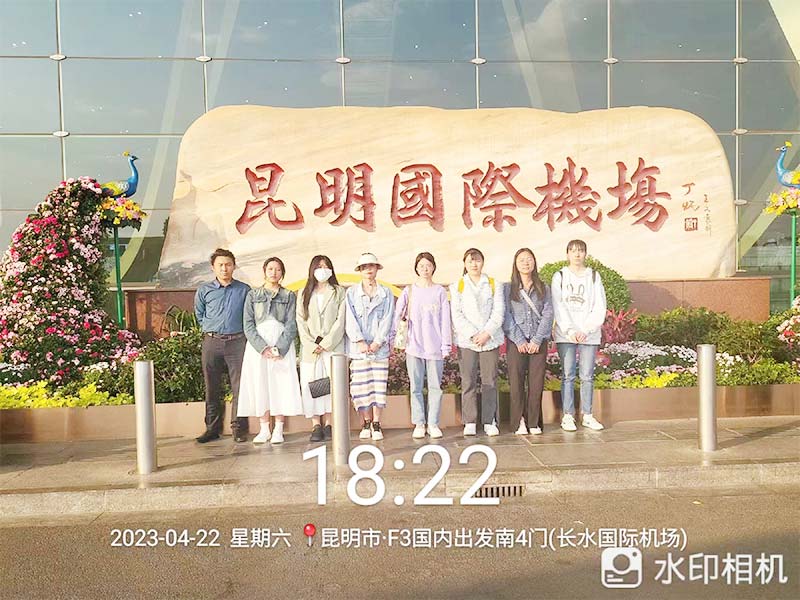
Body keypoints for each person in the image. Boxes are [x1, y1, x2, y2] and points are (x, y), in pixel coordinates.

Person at [237, 257, 303, 444]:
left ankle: (279, 429)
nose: (274, 273)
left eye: (278, 269)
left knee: (280, 384)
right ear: (264, 271)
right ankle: (264, 428)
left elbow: (291, 324)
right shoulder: (253, 295)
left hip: (280, 345)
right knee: (260, 383)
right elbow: (248, 324)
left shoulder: (288, 296)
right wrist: (262, 347)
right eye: (270, 269)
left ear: (282, 273)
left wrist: (280, 348)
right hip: (258, 347)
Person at [194, 248, 251, 443]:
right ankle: (212, 429)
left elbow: (249, 315)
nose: (224, 268)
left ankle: (239, 429)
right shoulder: (205, 290)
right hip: (212, 342)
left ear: (234, 266)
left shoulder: (244, 290)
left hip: (237, 342)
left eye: (228, 264)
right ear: (213, 267)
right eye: (220, 265)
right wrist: (211, 328)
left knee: (239, 387)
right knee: (212, 386)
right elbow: (199, 314)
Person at [394, 252, 452, 439]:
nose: (425, 269)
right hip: (414, 345)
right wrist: (396, 335)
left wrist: (446, 345)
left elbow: (445, 320)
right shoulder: (409, 291)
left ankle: (433, 423)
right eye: (421, 266)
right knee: (415, 387)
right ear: (416, 268)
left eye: (428, 265)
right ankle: (419, 423)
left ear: (433, 267)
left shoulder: (440, 291)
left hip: (435, 347)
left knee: (435, 387)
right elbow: (397, 315)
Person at [551, 239, 607, 432]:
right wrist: (570, 330)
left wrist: (586, 329)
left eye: (581, 250)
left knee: (587, 376)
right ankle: (568, 415)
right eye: (573, 250)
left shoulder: (594, 276)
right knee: (568, 375)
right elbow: (558, 305)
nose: (577, 254)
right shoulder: (560, 276)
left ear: (585, 254)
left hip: (589, 335)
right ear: (567, 254)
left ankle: (587, 415)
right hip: (566, 334)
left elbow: (599, 305)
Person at [450, 248, 505, 437]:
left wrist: (486, 333)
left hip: (490, 339)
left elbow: (498, 312)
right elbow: (457, 314)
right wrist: (473, 334)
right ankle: (470, 421)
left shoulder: (494, 284)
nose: (474, 264)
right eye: (470, 261)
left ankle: (489, 420)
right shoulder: (457, 286)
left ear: (483, 262)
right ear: (464, 264)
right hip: (467, 341)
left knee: (490, 380)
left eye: (477, 260)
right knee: (468, 381)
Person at [503, 248, 554, 435]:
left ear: (534, 262)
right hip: (516, 343)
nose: (526, 263)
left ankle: (533, 422)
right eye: (522, 260)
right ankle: (519, 422)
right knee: (516, 384)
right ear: (515, 264)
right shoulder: (508, 289)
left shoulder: (543, 287)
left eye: (529, 259)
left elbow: (548, 313)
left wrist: (537, 339)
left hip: (537, 342)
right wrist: (518, 339)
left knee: (536, 384)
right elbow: (506, 315)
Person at [345, 252, 395, 441]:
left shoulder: (386, 293)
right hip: (358, 351)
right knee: (361, 388)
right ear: (359, 270)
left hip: (379, 350)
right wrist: (359, 341)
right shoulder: (351, 293)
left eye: (371, 266)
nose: (368, 270)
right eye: (364, 267)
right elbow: (349, 319)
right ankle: (365, 422)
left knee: (378, 387)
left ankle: (376, 423)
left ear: (377, 268)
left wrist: (377, 342)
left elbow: (388, 318)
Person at [296, 255, 346, 442]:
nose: (322, 270)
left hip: (332, 346)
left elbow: (341, 320)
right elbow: (300, 321)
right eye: (319, 266)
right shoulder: (303, 293)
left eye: (326, 266)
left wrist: (326, 343)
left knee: (333, 385)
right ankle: (316, 424)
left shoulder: (339, 292)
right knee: (311, 384)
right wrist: (311, 344)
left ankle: (330, 423)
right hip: (311, 349)